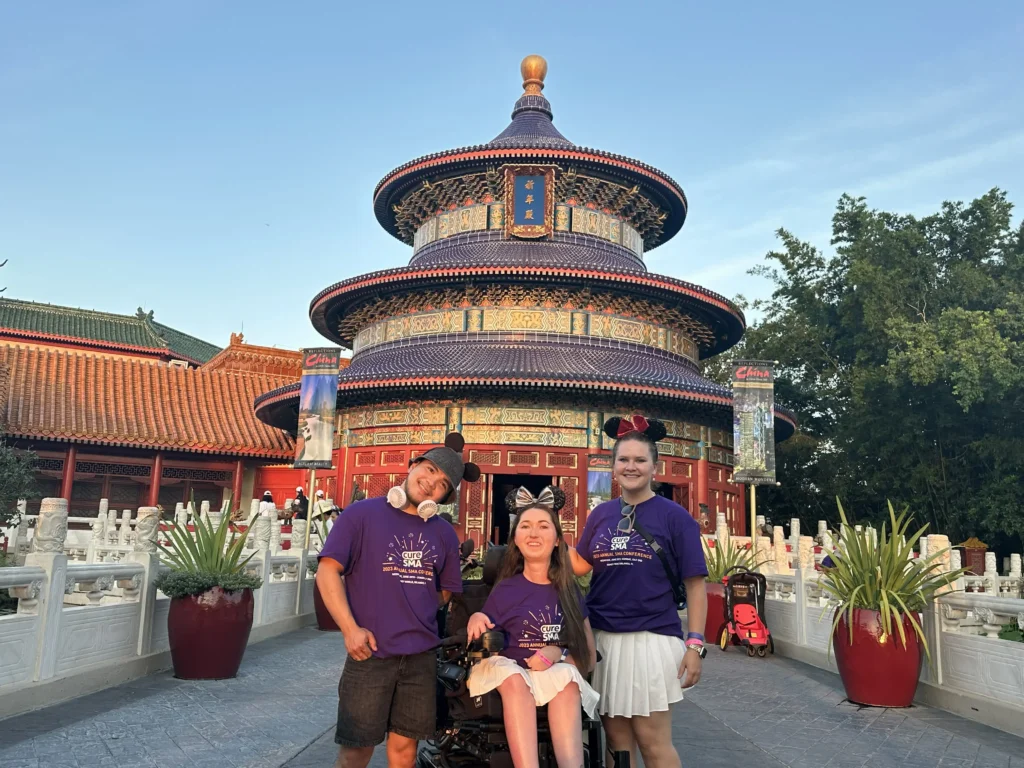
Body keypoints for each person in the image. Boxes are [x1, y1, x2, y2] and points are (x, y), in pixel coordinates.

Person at [316, 433, 481, 768]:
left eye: (443, 482)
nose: (432, 481)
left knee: (404, 751)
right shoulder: (361, 515)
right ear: (413, 464)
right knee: (356, 750)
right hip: (369, 654)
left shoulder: (444, 534)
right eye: (430, 469)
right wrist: (350, 629)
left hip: (420, 658)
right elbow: (327, 571)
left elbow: (445, 591)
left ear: (445, 497)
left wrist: (411, 605)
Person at [570, 415, 708, 768]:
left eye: (640, 460)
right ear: (613, 466)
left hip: (651, 638)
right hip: (603, 641)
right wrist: (538, 535)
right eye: (624, 460)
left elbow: (695, 585)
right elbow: (580, 565)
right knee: (616, 743)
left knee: (652, 741)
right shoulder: (601, 514)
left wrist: (694, 644)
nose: (631, 467)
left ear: (654, 467)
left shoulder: (675, 518)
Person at [467, 486, 598, 768]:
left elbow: (587, 657)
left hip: (549, 674)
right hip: (505, 672)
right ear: (516, 539)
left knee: (567, 679)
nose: (533, 533)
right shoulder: (505, 589)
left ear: (557, 540)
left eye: (543, 526)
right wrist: (475, 617)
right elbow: (481, 635)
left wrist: (557, 653)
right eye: (525, 526)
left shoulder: (570, 591)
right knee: (514, 678)